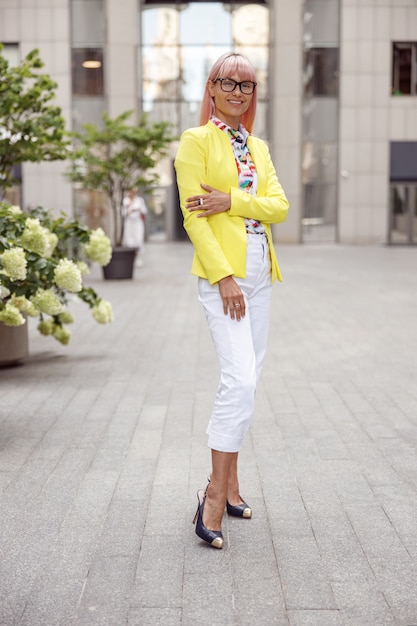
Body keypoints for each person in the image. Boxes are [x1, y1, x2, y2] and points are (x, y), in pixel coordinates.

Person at [174, 52, 289, 549]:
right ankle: (214, 495)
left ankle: (234, 486)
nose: (237, 92)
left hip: (262, 273)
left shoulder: (258, 148)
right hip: (227, 277)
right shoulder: (195, 141)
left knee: (248, 380)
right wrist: (223, 276)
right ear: (212, 89)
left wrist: (232, 200)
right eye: (228, 83)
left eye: (247, 85)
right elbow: (193, 216)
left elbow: (279, 208)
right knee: (239, 380)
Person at [122, 189, 147, 266]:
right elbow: (123, 213)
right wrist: (129, 209)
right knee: (129, 239)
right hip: (129, 223)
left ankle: (138, 258)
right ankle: (131, 258)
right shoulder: (125, 201)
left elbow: (144, 211)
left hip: (138, 223)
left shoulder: (139, 200)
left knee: (138, 240)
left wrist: (138, 209)